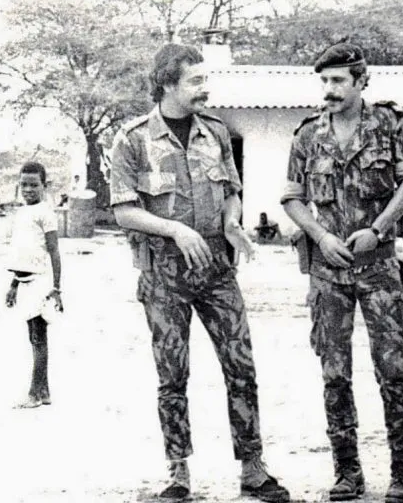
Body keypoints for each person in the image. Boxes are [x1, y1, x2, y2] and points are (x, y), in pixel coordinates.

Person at [109, 43, 290, 503]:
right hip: (163, 273)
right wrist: (175, 229)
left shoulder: (216, 132)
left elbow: (231, 192)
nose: (204, 88)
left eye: (204, 79)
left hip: (216, 268)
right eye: (195, 81)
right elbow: (124, 211)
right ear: (167, 84)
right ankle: (178, 472)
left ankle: (253, 468)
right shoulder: (132, 139)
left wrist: (232, 223)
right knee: (172, 374)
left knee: (241, 366)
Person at [281, 42, 403, 503]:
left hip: (378, 268)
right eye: (324, 80)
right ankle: (347, 472)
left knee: (392, 371)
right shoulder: (307, 134)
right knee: (334, 374)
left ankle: (402, 473)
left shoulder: (391, 125)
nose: (330, 89)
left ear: (361, 81)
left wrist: (378, 230)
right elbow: (292, 198)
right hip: (328, 271)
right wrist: (321, 236)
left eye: (338, 80)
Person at [4, 161, 64, 409]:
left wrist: (56, 288)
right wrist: (13, 285)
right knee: (34, 337)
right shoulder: (21, 213)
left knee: (38, 337)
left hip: (41, 282)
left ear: (44, 186)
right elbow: (22, 255)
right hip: (25, 282)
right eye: (24, 185)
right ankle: (45, 391)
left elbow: (54, 251)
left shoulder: (45, 213)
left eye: (34, 185)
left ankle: (34, 394)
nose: (28, 190)